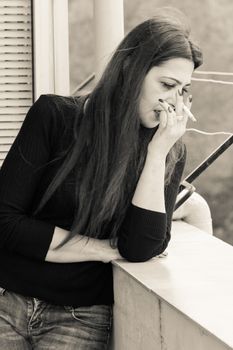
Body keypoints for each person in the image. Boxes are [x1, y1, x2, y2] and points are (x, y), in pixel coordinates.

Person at [0, 8, 203, 350]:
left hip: (82, 316)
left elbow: (140, 248)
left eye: (182, 90)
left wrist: (156, 155)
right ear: (129, 70)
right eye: (167, 85)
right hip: (9, 300)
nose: (173, 100)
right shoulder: (54, 116)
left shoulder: (168, 153)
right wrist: (101, 249)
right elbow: (5, 222)